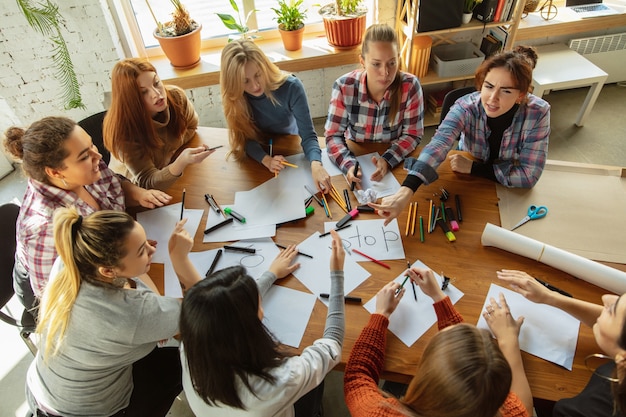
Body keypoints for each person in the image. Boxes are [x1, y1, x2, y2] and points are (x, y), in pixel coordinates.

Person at [25, 208, 198, 417]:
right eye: (142, 251)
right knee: (186, 362)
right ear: (107, 270)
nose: (153, 251)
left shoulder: (71, 260)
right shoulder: (128, 315)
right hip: (88, 410)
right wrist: (180, 260)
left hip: (44, 387)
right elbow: (202, 307)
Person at [3, 116, 171, 310]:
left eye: (92, 145)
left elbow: (113, 182)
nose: (97, 156)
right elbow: (60, 299)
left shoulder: (88, 167)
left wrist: (138, 194)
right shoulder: (42, 229)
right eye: (84, 156)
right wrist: (121, 266)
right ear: (55, 173)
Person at [371, 46, 550, 224]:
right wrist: (404, 192)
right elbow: (438, 145)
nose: (492, 98)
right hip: (469, 177)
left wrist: (474, 168)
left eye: (506, 91)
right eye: (488, 86)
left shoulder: (538, 113)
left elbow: (529, 176)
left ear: (521, 95)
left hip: (503, 188)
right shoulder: (465, 106)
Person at [179, 230, 345, 416]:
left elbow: (224, 306)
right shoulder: (278, 383)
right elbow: (332, 345)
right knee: (314, 386)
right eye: (256, 303)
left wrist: (271, 273)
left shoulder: (192, 343)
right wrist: (337, 274)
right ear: (248, 324)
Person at [344, 266, 533, 417]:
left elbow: (357, 379)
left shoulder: (382, 413)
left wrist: (380, 314)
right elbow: (523, 405)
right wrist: (439, 297)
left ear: (426, 383)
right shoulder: (504, 408)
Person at [498, 269, 626, 417]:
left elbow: (522, 413)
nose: (606, 298)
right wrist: (551, 297)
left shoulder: (593, 410)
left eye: (612, 311)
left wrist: (508, 340)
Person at [220, 39, 332, 192]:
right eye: (245, 81)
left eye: (258, 75)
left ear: (264, 67)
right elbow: (244, 138)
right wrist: (265, 159)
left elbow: (308, 136)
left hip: (290, 145)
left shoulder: (292, 87)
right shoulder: (235, 98)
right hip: (261, 153)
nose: (255, 86)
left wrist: (316, 164)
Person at [324, 23, 423, 189]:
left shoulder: (411, 86)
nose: (385, 72)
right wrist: (349, 165)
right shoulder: (343, 87)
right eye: (376, 64)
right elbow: (333, 135)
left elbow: (413, 135)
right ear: (362, 61)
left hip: (394, 162)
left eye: (392, 63)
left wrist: (388, 159)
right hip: (355, 153)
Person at [104, 58, 212, 191]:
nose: (157, 94)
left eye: (156, 83)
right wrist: (180, 161)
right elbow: (147, 182)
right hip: (132, 193)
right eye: (143, 92)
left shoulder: (176, 96)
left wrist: (169, 154)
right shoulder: (123, 132)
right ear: (130, 99)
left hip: (167, 174)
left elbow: (192, 126)